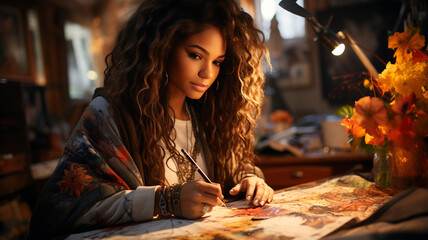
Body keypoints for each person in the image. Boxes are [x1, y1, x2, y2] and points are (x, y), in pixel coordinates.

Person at [29, 0, 274, 238]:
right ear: (162, 47)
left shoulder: (210, 116)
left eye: (217, 62)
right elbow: (66, 209)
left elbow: (233, 170)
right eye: (195, 55)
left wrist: (250, 181)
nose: (207, 73)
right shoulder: (109, 114)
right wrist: (166, 201)